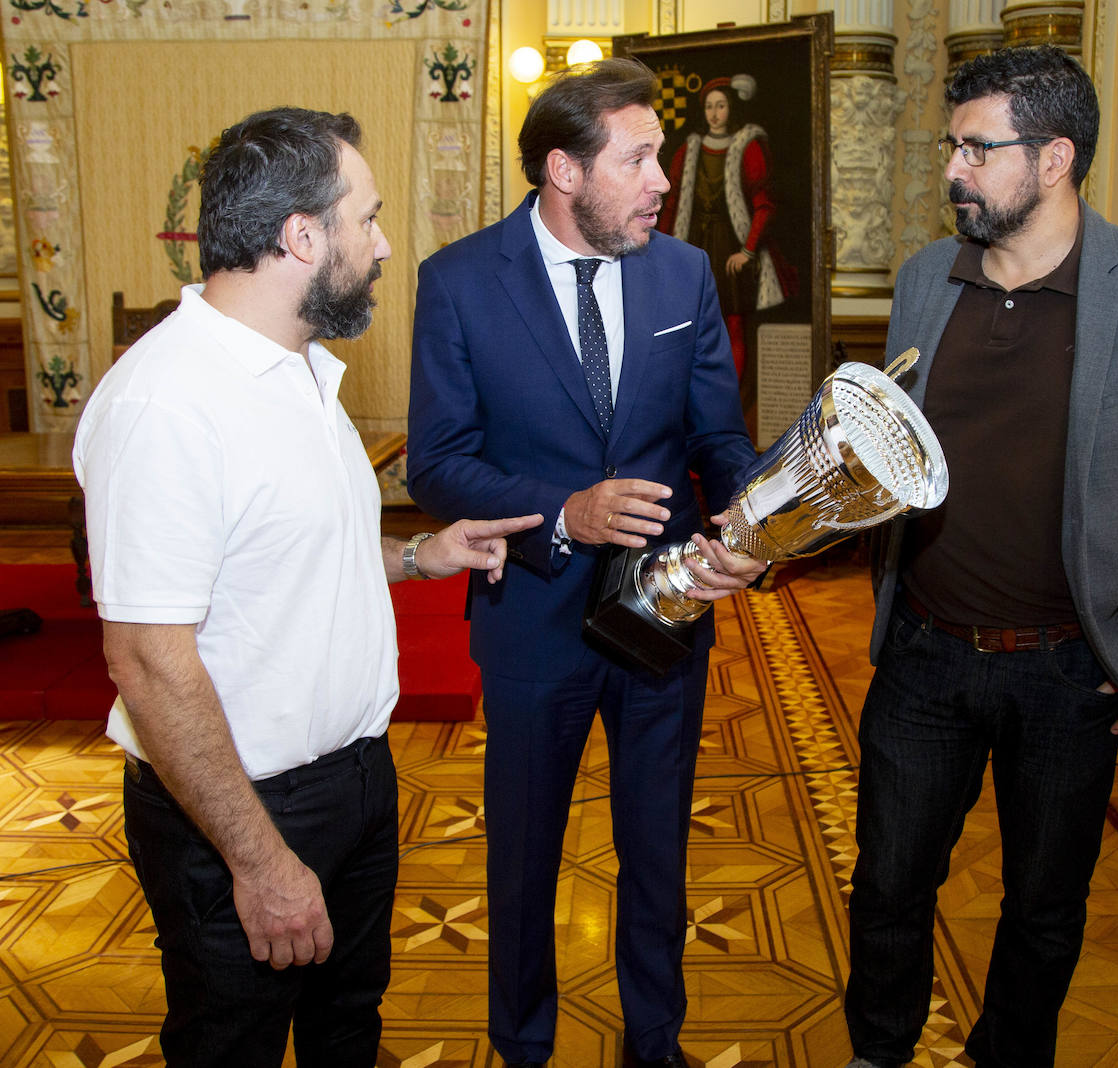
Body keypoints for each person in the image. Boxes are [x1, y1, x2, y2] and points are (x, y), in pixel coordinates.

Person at [73, 107, 541, 1068]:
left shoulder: (301, 373)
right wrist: (258, 860)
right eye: (365, 219)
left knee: (346, 1031)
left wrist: (422, 556)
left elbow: (286, 559)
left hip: (356, 780)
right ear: (301, 237)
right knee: (232, 1044)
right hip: (237, 810)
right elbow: (149, 659)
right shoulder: (168, 403)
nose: (381, 244)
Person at [842, 47, 1118, 1068]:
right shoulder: (925, 281)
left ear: (1056, 156)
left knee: (1044, 902)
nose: (954, 169)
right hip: (925, 653)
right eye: (952, 146)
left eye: (979, 148)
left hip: (1073, 669)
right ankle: (878, 1051)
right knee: (889, 883)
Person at [407, 58, 765, 1068]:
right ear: (564, 170)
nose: (662, 181)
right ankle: (522, 1048)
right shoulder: (462, 281)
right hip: (531, 620)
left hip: (663, 616)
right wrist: (560, 514)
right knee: (522, 862)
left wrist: (749, 523)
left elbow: (717, 438)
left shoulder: (682, 273)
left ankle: (656, 1044)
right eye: (641, 160)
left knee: (658, 851)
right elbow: (438, 463)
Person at [658, 73, 794, 380]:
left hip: (731, 249)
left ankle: (729, 398)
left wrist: (747, 251)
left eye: (721, 106)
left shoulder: (749, 146)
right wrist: (661, 248)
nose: (715, 114)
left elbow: (764, 205)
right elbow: (674, 203)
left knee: (733, 324)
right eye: (709, 107)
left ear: (731, 107)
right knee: (693, 325)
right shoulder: (689, 149)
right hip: (695, 245)